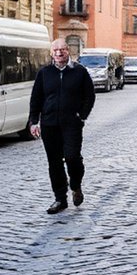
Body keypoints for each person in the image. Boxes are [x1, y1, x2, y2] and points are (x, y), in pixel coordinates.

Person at [29, 38, 96, 214]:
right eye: (56, 50)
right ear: (51, 53)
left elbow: (90, 95)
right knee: (54, 162)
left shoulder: (79, 72)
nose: (59, 53)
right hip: (49, 124)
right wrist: (34, 121)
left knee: (72, 157)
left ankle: (75, 184)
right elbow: (36, 98)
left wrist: (82, 116)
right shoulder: (45, 73)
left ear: (68, 51)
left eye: (63, 50)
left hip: (72, 124)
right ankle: (60, 199)